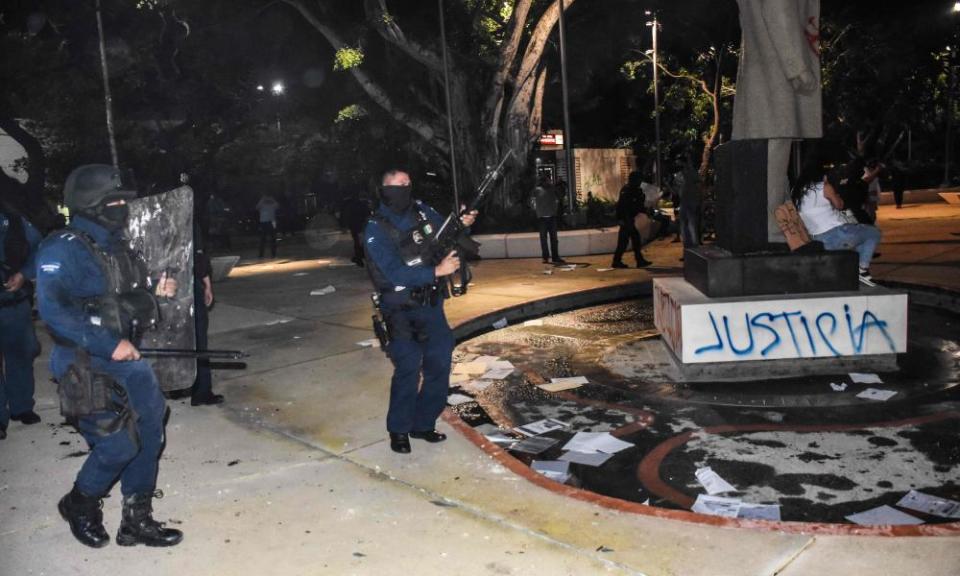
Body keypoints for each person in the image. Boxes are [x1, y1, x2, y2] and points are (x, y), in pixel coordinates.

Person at [36, 164, 183, 548]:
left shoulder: (120, 246)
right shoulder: (60, 248)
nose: (122, 207)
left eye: (123, 200)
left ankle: (137, 520)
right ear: (89, 203)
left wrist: (156, 292)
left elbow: (124, 298)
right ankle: (79, 503)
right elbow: (55, 311)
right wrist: (107, 343)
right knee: (118, 446)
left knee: (150, 433)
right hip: (85, 363)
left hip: (130, 362)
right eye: (113, 200)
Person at [363, 169, 477, 454]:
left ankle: (424, 423)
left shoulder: (423, 212)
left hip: (430, 304)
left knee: (439, 361)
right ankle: (399, 430)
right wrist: (436, 271)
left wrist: (463, 223)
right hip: (398, 309)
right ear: (384, 188)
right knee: (409, 366)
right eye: (398, 184)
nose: (405, 187)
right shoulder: (375, 227)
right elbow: (393, 272)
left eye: (407, 183)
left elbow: (445, 236)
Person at [793, 164, 881, 285]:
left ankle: (857, 270)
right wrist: (837, 197)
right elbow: (840, 205)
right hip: (836, 234)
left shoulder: (797, 192)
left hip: (817, 238)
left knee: (858, 237)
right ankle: (862, 269)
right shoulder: (823, 187)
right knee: (873, 233)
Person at [0, 201, 43, 440]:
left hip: (14, 302)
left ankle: (22, 406)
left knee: (20, 355)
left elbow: (40, 248)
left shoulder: (13, 218)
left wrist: (24, 274)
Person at [611, 172, 652, 268]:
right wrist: (621, 219)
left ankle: (621, 261)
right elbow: (623, 206)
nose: (640, 182)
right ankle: (634, 260)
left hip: (628, 219)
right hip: (627, 219)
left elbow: (637, 205)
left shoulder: (631, 189)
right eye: (639, 180)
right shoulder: (629, 190)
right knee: (629, 241)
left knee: (627, 241)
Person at [531, 176, 565, 264]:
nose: (548, 182)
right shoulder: (537, 190)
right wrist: (536, 209)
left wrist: (557, 185)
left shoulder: (553, 189)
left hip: (552, 217)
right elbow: (531, 199)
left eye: (548, 180)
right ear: (542, 181)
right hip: (542, 218)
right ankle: (545, 257)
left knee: (554, 239)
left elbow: (561, 196)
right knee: (543, 239)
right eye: (546, 180)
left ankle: (555, 257)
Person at [339, 186, 371, 267]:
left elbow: (348, 215)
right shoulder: (363, 204)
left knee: (357, 241)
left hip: (355, 225)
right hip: (361, 225)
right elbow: (367, 214)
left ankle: (359, 257)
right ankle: (361, 256)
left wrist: (346, 225)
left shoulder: (352, 205)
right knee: (362, 241)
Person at [256, 193, 279, 258]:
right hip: (263, 222)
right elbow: (257, 207)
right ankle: (261, 255)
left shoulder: (273, 204)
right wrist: (262, 199)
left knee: (273, 238)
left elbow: (277, 206)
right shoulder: (262, 205)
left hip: (272, 222)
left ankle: (273, 254)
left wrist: (272, 199)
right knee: (262, 239)